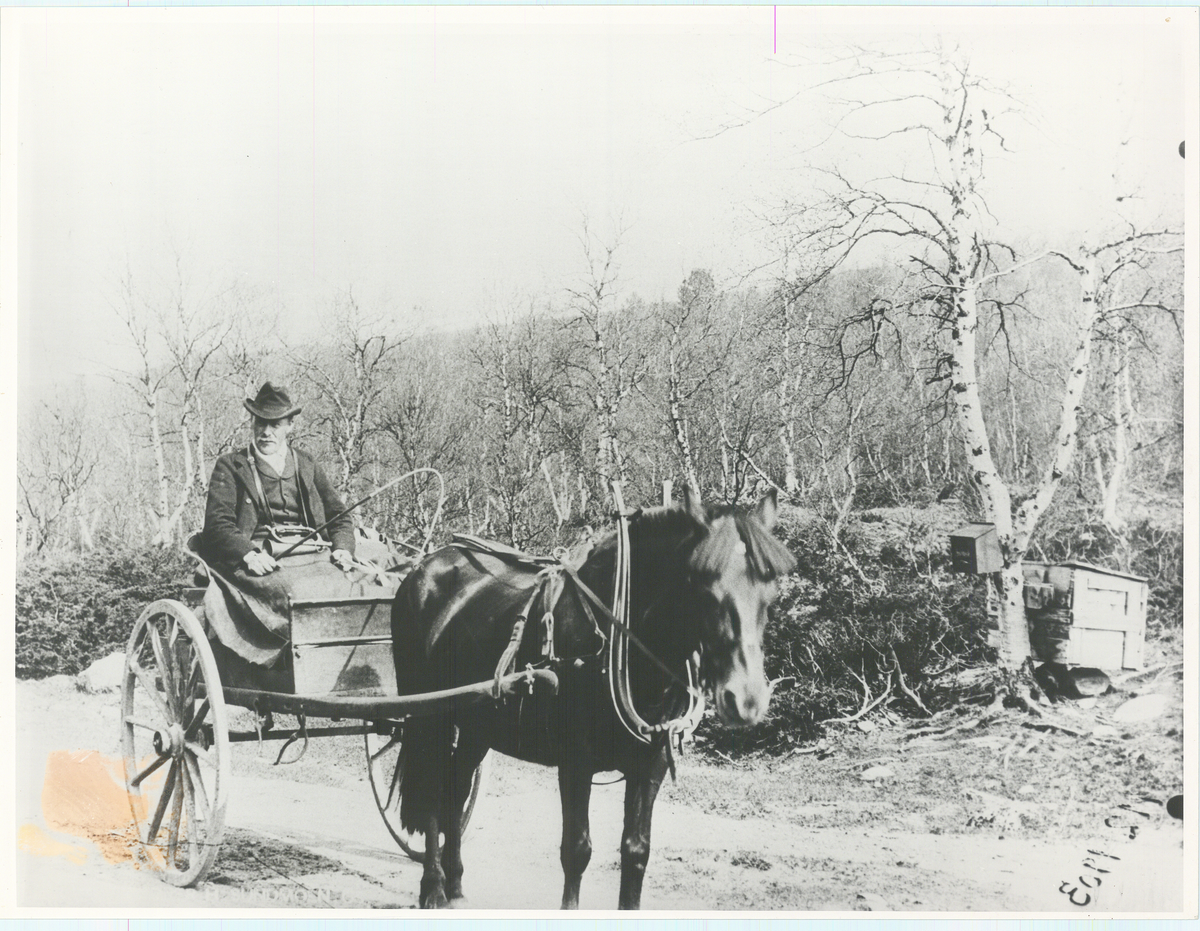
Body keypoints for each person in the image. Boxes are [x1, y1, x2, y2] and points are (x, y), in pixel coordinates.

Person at [201, 381, 356, 575]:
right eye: (260, 423)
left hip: (313, 551)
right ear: (252, 422)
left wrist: (342, 549)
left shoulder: (307, 463)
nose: (266, 432)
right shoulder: (231, 465)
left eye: (275, 425)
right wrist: (249, 555)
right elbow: (217, 524)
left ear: (290, 425)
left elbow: (339, 516)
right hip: (259, 556)